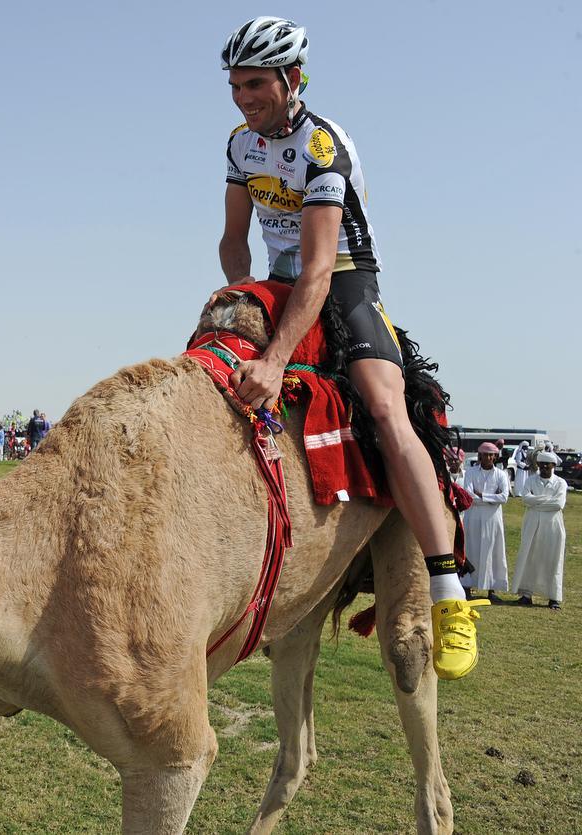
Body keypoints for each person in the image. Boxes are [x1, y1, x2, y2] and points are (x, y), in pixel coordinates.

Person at [218, 16, 488, 678]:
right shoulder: (238, 144)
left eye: (255, 84)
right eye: (235, 86)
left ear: (293, 79)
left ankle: (449, 590)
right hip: (277, 284)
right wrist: (241, 302)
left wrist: (277, 358)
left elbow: (316, 269)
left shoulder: (321, 145)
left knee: (386, 407)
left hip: (343, 281)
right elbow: (233, 240)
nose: (243, 98)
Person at [512, 452, 568, 610]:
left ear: (553, 466)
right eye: (541, 463)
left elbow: (558, 504)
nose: (543, 466)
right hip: (532, 522)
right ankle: (526, 594)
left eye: (547, 464)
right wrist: (545, 501)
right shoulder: (530, 480)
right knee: (529, 556)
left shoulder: (560, 483)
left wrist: (536, 501)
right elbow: (525, 499)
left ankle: (553, 597)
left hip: (553, 524)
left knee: (553, 558)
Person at [460, 442, 510, 602]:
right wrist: (491, 497)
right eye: (485, 455)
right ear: (479, 456)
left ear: (495, 457)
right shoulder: (471, 472)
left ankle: (491, 589)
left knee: (492, 551)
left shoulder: (501, 474)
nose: (488, 458)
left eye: (491, 455)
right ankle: (467, 586)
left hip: (492, 519)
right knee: (471, 549)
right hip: (473, 516)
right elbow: (468, 495)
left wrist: (481, 495)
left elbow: (504, 497)